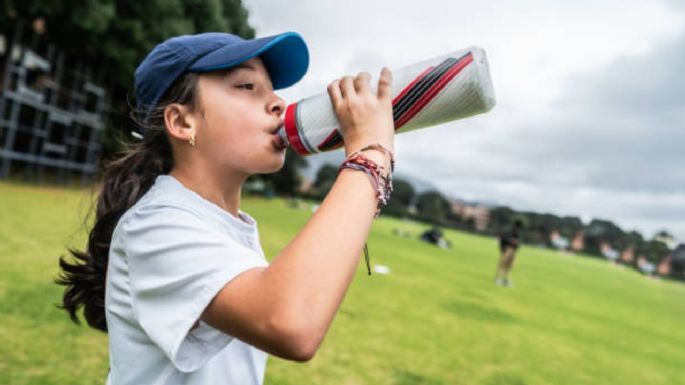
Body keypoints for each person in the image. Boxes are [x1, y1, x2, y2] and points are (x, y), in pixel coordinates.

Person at [55, 31, 395, 385]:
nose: (278, 102)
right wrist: (370, 153)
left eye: (271, 88)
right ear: (182, 122)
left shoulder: (223, 225)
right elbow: (291, 320)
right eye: (247, 86)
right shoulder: (156, 224)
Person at [494, 219, 524, 287]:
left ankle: (505, 279)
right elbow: (503, 239)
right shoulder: (508, 231)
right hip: (507, 250)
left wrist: (516, 244)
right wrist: (511, 242)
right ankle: (498, 279)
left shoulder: (517, 232)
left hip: (513, 251)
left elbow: (518, 242)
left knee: (509, 266)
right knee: (503, 264)